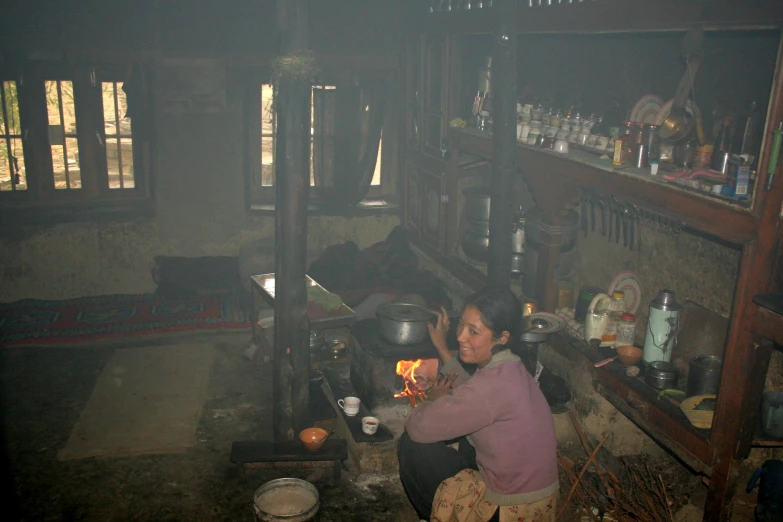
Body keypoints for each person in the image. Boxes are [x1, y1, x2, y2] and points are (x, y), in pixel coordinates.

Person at [397, 287, 558, 522]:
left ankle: (429, 515)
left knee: (413, 444)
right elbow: (474, 393)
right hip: (535, 503)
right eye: (461, 325)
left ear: (502, 337)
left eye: (473, 331)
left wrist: (430, 403)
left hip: (508, 511)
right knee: (462, 441)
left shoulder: (490, 387)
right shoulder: (511, 367)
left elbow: (418, 427)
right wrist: (443, 348)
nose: (461, 336)